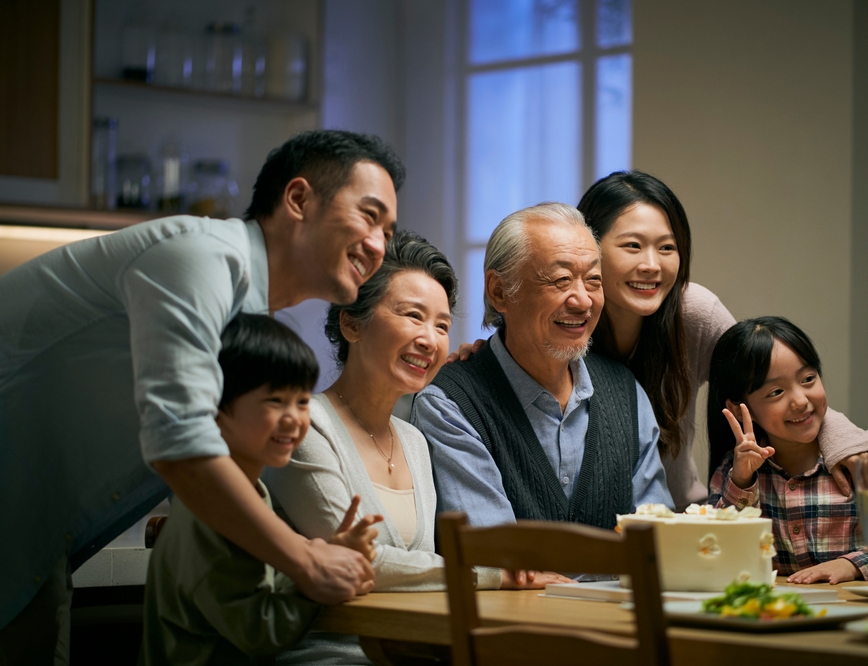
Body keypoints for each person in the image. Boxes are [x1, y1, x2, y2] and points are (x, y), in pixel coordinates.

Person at [0, 130, 401, 662]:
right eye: (369, 216)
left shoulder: (248, 316)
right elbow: (181, 443)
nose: (379, 246)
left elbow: (214, 450)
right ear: (299, 200)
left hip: (34, 528)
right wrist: (306, 561)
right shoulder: (200, 257)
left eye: (388, 231)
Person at [266, 231, 572, 665]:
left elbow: (422, 567)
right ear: (351, 323)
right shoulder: (304, 427)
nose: (430, 339)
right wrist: (494, 575)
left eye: (442, 325)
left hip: (411, 652)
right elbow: (359, 562)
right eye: (413, 316)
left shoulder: (413, 439)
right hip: (327, 655)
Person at [575, 171, 868, 506]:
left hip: (677, 520)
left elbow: (771, 377)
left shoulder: (693, 311)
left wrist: (842, 438)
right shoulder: (566, 318)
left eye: (667, 247)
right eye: (633, 246)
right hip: (589, 529)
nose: (652, 265)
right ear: (588, 247)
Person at [411, 203, 672, 531]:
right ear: (499, 291)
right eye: (561, 280)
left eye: (593, 280)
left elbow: (658, 537)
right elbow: (499, 557)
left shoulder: (625, 392)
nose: (583, 300)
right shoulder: (451, 405)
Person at [140, 313, 381, 664]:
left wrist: (329, 553)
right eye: (274, 401)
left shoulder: (248, 490)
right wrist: (319, 586)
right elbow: (261, 631)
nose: (294, 418)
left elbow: (261, 589)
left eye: (301, 401)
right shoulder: (216, 509)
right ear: (217, 409)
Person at [705, 316, 868, 583]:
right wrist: (742, 482)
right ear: (738, 408)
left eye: (808, 378)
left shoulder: (858, 463)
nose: (801, 401)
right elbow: (715, 553)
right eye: (776, 392)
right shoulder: (733, 472)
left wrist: (850, 566)